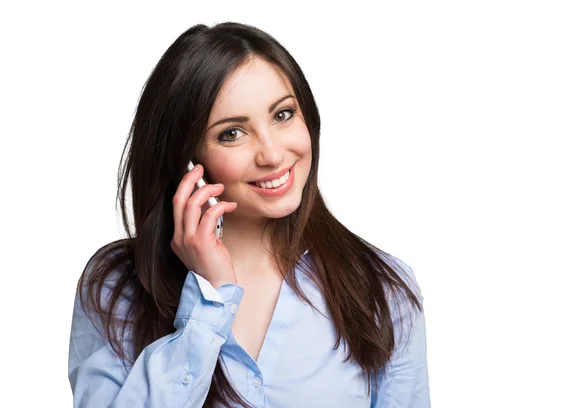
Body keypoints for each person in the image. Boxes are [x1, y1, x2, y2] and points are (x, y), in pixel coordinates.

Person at [67, 22, 430, 408]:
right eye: (232, 134)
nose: (272, 155)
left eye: (283, 115)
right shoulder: (117, 286)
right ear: (188, 161)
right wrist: (209, 300)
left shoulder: (382, 289)